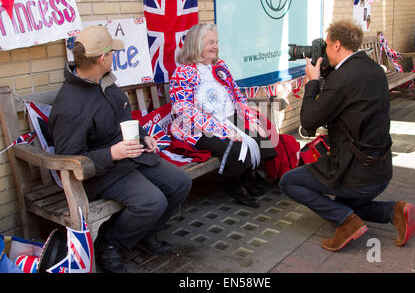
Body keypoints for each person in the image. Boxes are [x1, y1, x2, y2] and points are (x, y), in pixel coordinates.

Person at [48, 25, 192, 273]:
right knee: (152, 201)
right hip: (99, 173)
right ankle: (110, 244)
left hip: (130, 158)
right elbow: (69, 160)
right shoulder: (70, 104)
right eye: (112, 53)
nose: (115, 57)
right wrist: (112, 154)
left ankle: (146, 233)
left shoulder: (104, 82)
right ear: (102, 59)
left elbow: (124, 119)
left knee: (180, 182)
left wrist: (144, 136)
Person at [280, 20, 415, 252]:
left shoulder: (341, 79)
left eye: (326, 45)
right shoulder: (372, 69)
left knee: (289, 182)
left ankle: (347, 222)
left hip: (355, 174)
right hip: (380, 170)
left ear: (336, 45)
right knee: (345, 205)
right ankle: (395, 211)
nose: (324, 51)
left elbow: (308, 122)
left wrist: (313, 82)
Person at [169, 23, 277, 208]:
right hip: (198, 128)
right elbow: (186, 111)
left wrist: (251, 120)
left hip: (229, 118)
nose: (215, 46)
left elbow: (236, 94)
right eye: (210, 42)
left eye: (216, 42)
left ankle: (246, 177)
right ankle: (234, 185)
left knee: (260, 136)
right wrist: (222, 130)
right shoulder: (183, 73)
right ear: (196, 44)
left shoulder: (220, 66)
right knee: (235, 146)